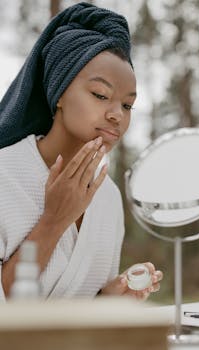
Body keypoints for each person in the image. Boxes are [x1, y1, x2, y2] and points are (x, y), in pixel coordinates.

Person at [0, 2, 163, 300]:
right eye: (101, 95)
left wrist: (111, 298)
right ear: (59, 92)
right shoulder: (4, 177)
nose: (117, 115)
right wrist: (53, 220)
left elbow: (85, 312)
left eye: (127, 105)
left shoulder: (109, 197)